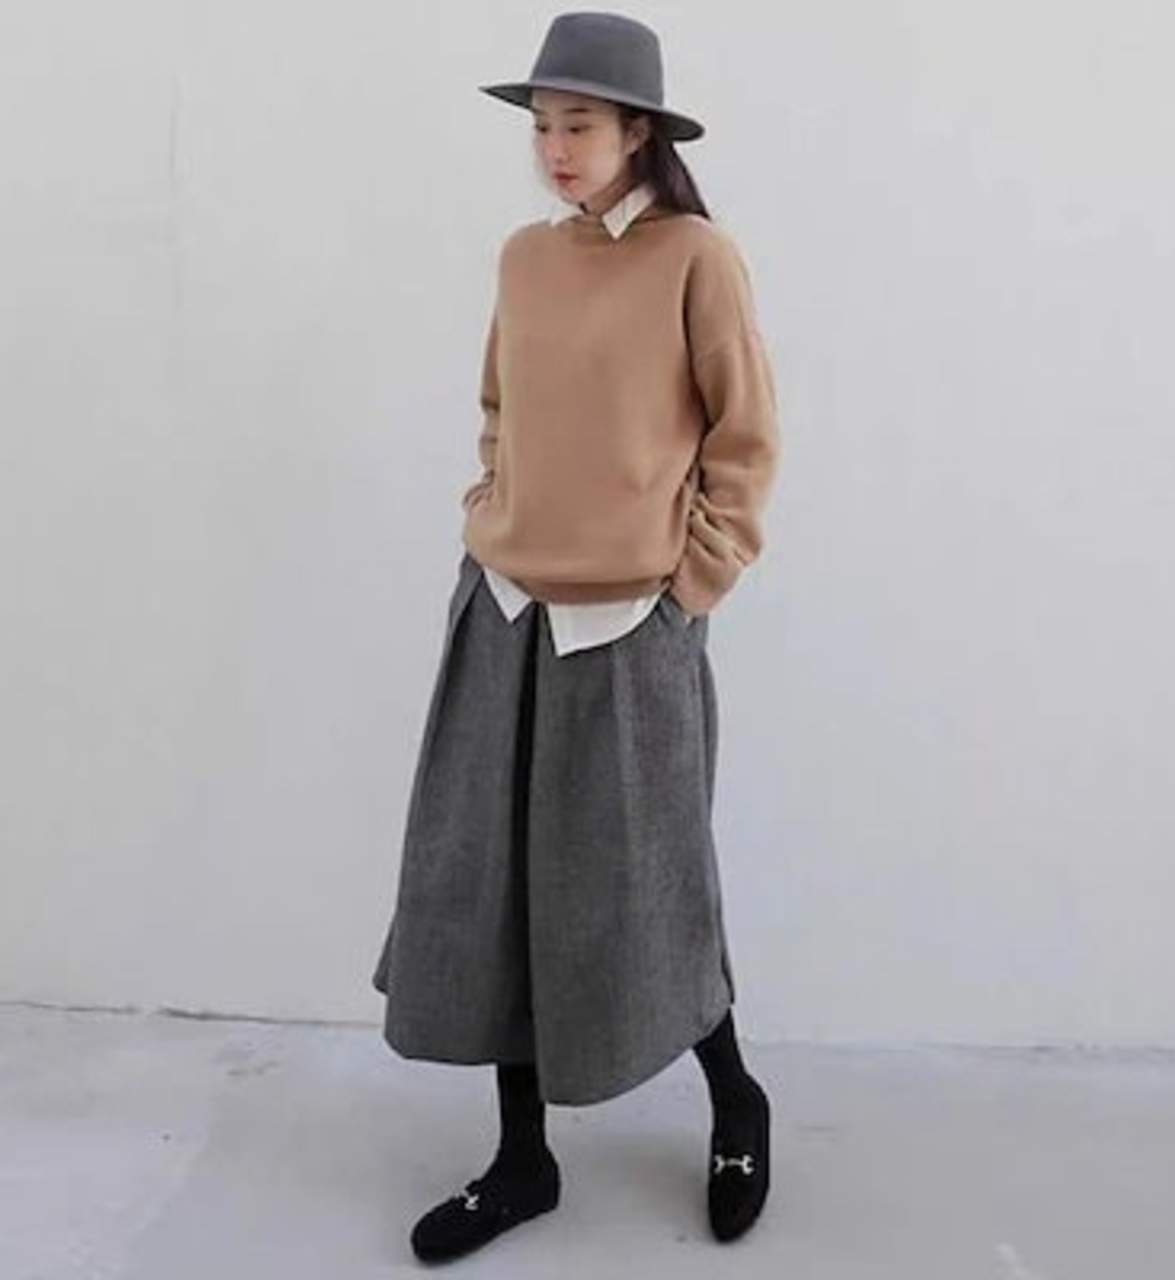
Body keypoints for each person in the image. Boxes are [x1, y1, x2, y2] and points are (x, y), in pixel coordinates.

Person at [370, 10, 781, 1264]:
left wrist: (689, 584)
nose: (554, 149)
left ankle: (736, 1099)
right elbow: (498, 404)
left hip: (627, 624)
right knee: (491, 885)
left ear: (637, 131)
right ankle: (521, 1156)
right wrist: (489, 506)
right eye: (542, 127)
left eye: (578, 125)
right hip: (501, 608)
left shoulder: (696, 257)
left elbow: (745, 438)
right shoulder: (524, 257)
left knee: (641, 889)